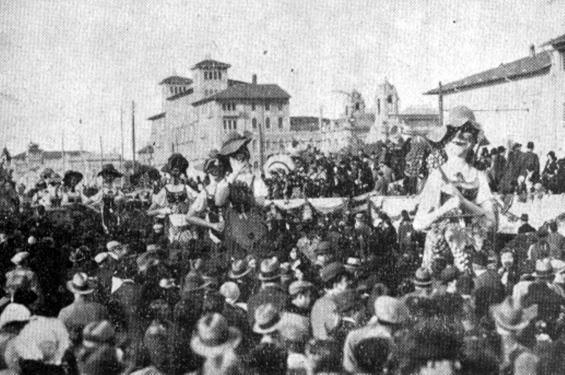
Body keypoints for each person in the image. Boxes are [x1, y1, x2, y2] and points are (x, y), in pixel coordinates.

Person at [414, 106, 496, 273]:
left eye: (465, 131)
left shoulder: (479, 176)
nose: (459, 136)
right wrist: (445, 208)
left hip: (474, 252)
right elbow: (418, 223)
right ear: (445, 139)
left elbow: (491, 221)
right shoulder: (437, 175)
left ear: (473, 140)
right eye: (453, 131)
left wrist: (463, 202)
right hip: (442, 253)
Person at [148, 154, 199, 245]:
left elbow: (199, 202)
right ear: (169, 172)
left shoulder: (186, 188)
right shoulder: (165, 190)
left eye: (178, 169)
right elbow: (149, 212)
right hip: (172, 228)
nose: (176, 174)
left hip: (188, 227)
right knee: (174, 252)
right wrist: (163, 210)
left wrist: (190, 208)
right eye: (173, 170)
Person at [84, 164, 124, 235]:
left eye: (111, 175)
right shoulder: (102, 190)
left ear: (114, 176)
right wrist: (88, 204)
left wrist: (119, 200)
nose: (109, 177)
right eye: (107, 175)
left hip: (115, 212)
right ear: (104, 177)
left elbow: (122, 198)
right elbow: (92, 199)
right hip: (104, 213)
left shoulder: (116, 189)